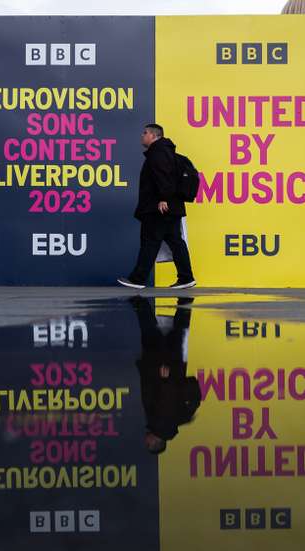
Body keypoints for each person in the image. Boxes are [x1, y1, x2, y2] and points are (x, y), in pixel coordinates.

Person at [118, 124, 195, 290]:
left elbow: (164, 176)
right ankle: (186, 277)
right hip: (171, 207)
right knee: (175, 242)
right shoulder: (166, 152)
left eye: (145, 133)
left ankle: (138, 279)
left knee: (150, 242)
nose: (142, 136)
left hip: (159, 208)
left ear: (153, 136)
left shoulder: (158, 153)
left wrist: (163, 198)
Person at [131, 296, 201, 454]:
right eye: (147, 444)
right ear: (155, 443)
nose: (145, 441)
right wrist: (165, 380)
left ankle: (184, 301)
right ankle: (139, 300)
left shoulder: (172, 423)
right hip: (160, 370)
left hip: (173, 369)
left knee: (178, 332)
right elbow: (164, 398)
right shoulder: (161, 423)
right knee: (150, 334)